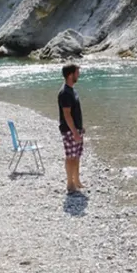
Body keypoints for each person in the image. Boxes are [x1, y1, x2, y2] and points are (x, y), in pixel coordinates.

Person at [58, 64, 85, 193]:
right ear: (70, 75)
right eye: (77, 72)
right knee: (70, 157)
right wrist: (75, 132)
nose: (78, 74)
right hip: (69, 130)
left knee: (77, 156)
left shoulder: (72, 90)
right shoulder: (65, 93)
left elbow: (75, 112)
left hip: (75, 129)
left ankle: (77, 180)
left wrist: (80, 128)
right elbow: (67, 114)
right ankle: (70, 184)